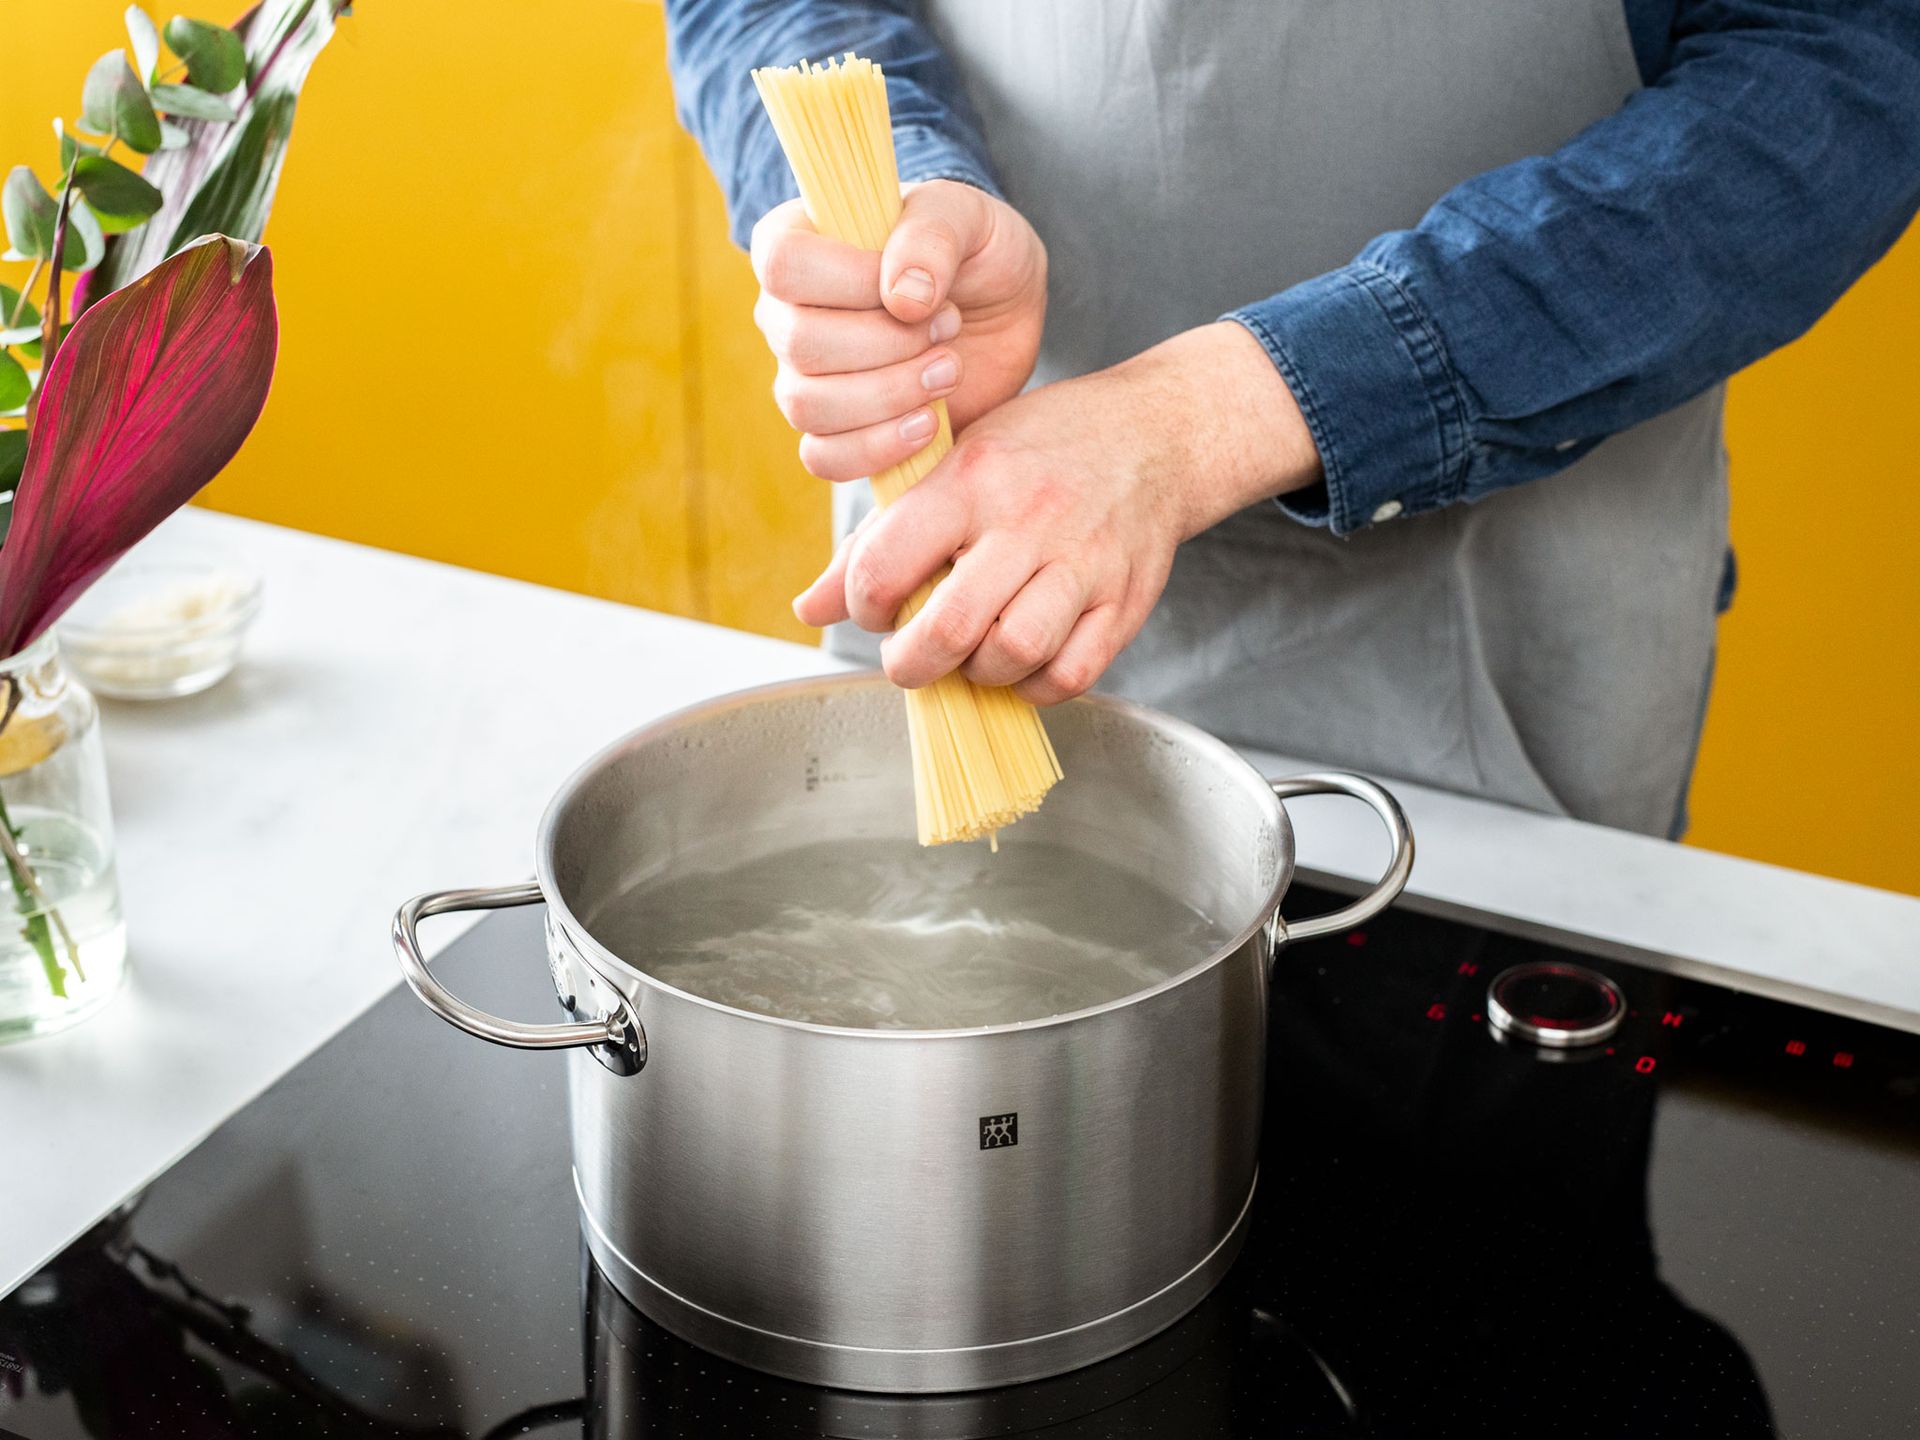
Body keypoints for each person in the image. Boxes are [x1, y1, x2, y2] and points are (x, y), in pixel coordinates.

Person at [663, 1, 1920, 837]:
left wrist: (1206, 418)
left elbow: (1844, 67)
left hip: (1497, 667)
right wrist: (895, 179)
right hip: (972, 565)